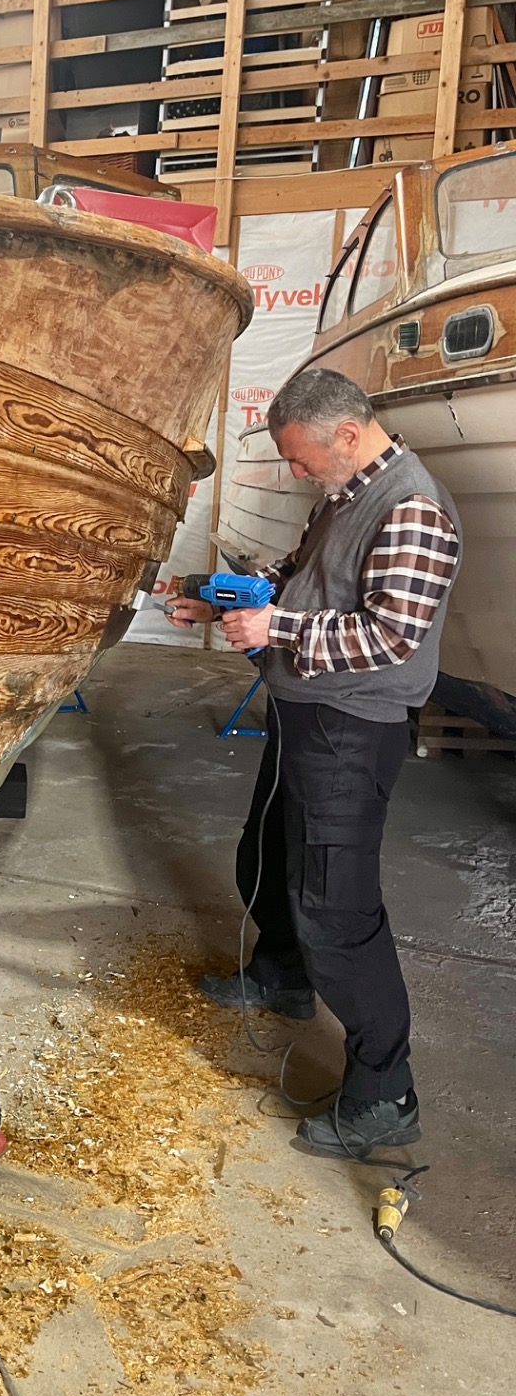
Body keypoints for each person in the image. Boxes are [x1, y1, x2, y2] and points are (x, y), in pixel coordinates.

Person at [170, 369, 461, 1160]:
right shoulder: (342, 493)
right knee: (268, 853)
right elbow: (298, 581)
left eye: (300, 457)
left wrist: (278, 632)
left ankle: (385, 1094)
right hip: (306, 712)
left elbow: (391, 636)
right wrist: (224, 601)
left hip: (351, 729)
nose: (295, 471)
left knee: (338, 910)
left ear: (347, 434)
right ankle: (282, 974)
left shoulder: (412, 508)